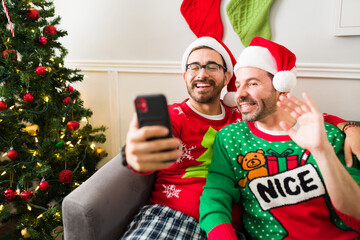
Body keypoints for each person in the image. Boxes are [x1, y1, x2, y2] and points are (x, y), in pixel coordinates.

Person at [199, 36, 360, 240]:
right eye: (238, 85)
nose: (240, 94)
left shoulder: (327, 134)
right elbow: (214, 197)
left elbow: (356, 213)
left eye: (253, 83)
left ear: (281, 86)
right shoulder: (231, 138)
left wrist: (323, 152)